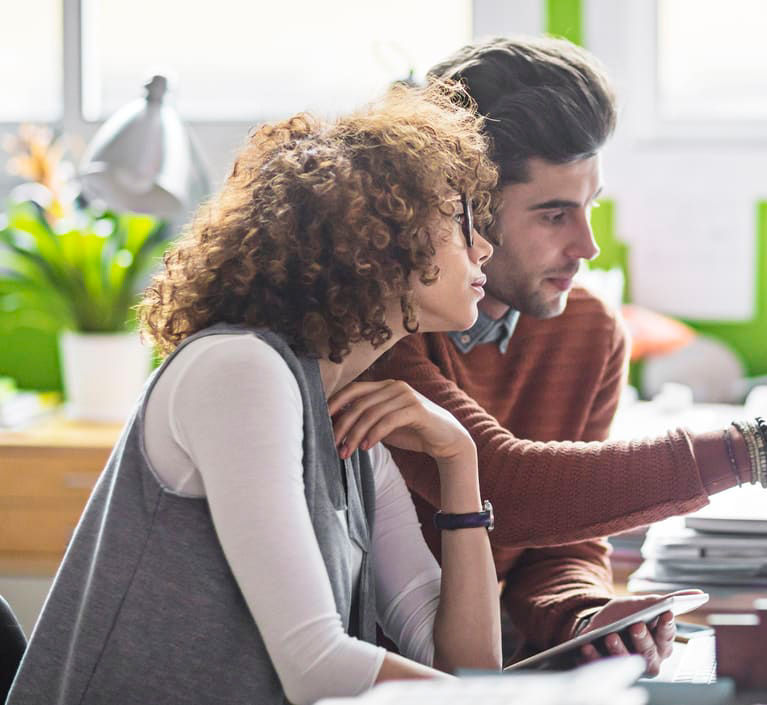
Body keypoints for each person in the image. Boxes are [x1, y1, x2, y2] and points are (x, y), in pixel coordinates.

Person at [369, 37, 767, 674]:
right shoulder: (384, 326)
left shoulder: (588, 328)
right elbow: (499, 485)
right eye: (554, 215)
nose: (588, 245)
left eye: (591, 206)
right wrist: (755, 449)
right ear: (465, 215)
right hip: (396, 674)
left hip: (498, 666)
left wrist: (585, 617)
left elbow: (560, 547)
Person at [7, 83, 502, 705]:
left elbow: (468, 668)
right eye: (458, 221)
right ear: (376, 239)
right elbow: (316, 665)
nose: (482, 246)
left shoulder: (348, 424)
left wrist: (460, 463)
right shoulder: (240, 370)